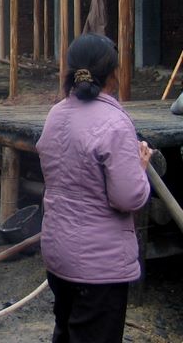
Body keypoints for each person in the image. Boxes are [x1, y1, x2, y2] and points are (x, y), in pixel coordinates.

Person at [37, 33, 152, 343]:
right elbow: (128, 197)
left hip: (58, 253)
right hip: (99, 266)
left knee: (65, 331)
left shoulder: (56, 114)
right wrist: (140, 169)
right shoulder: (114, 121)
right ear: (113, 73)